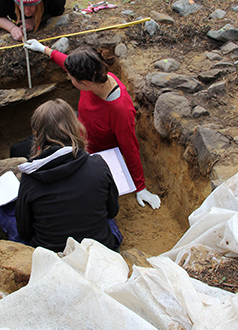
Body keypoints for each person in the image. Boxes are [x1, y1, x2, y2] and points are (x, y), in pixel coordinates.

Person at [22, 40, 161, 210]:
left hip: (93, 158)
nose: (68, 78)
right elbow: (69, 63)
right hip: (77, 135)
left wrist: (140, 187)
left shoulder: (120, 110)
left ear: (85, 83)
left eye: (71, 78)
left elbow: (130, 148)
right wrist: (45, 50)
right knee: (25, 148)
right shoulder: (92, 76)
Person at [14, 99, 121, 252]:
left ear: (37, 135)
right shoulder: (98, 164)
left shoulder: (30, 178)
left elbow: (24, 231)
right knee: (107, 222)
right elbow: (112, 211)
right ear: (75, 127)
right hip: (99, 249)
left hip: (54, 256)